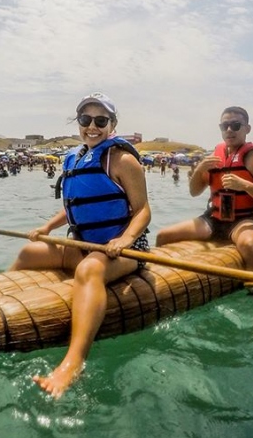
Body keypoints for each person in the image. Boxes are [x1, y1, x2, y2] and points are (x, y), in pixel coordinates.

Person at [10, 92, 151, 398]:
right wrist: (47, 227)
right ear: (79, 123)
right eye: (86, 120)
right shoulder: (74, 158)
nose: (92, 126)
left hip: (127, 250)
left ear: (112, 125)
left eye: (101, 120)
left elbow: (142, 210)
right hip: (85, 244)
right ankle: (5, 304)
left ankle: (74, 361)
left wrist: (124, 240)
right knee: (29, 252)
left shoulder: (123, 160)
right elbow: (78, 203)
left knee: (89, 270)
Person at [155, 106, 253, 332]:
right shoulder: (213, 157)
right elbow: (195, 192)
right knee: (163, 235)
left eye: (236, 125)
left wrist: (245, 185)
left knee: (250, 244)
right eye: (225, 126)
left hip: (244, 219)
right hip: (213, 219)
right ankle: (160, 288)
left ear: (247, 128)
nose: (230, 130)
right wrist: (199, 170)